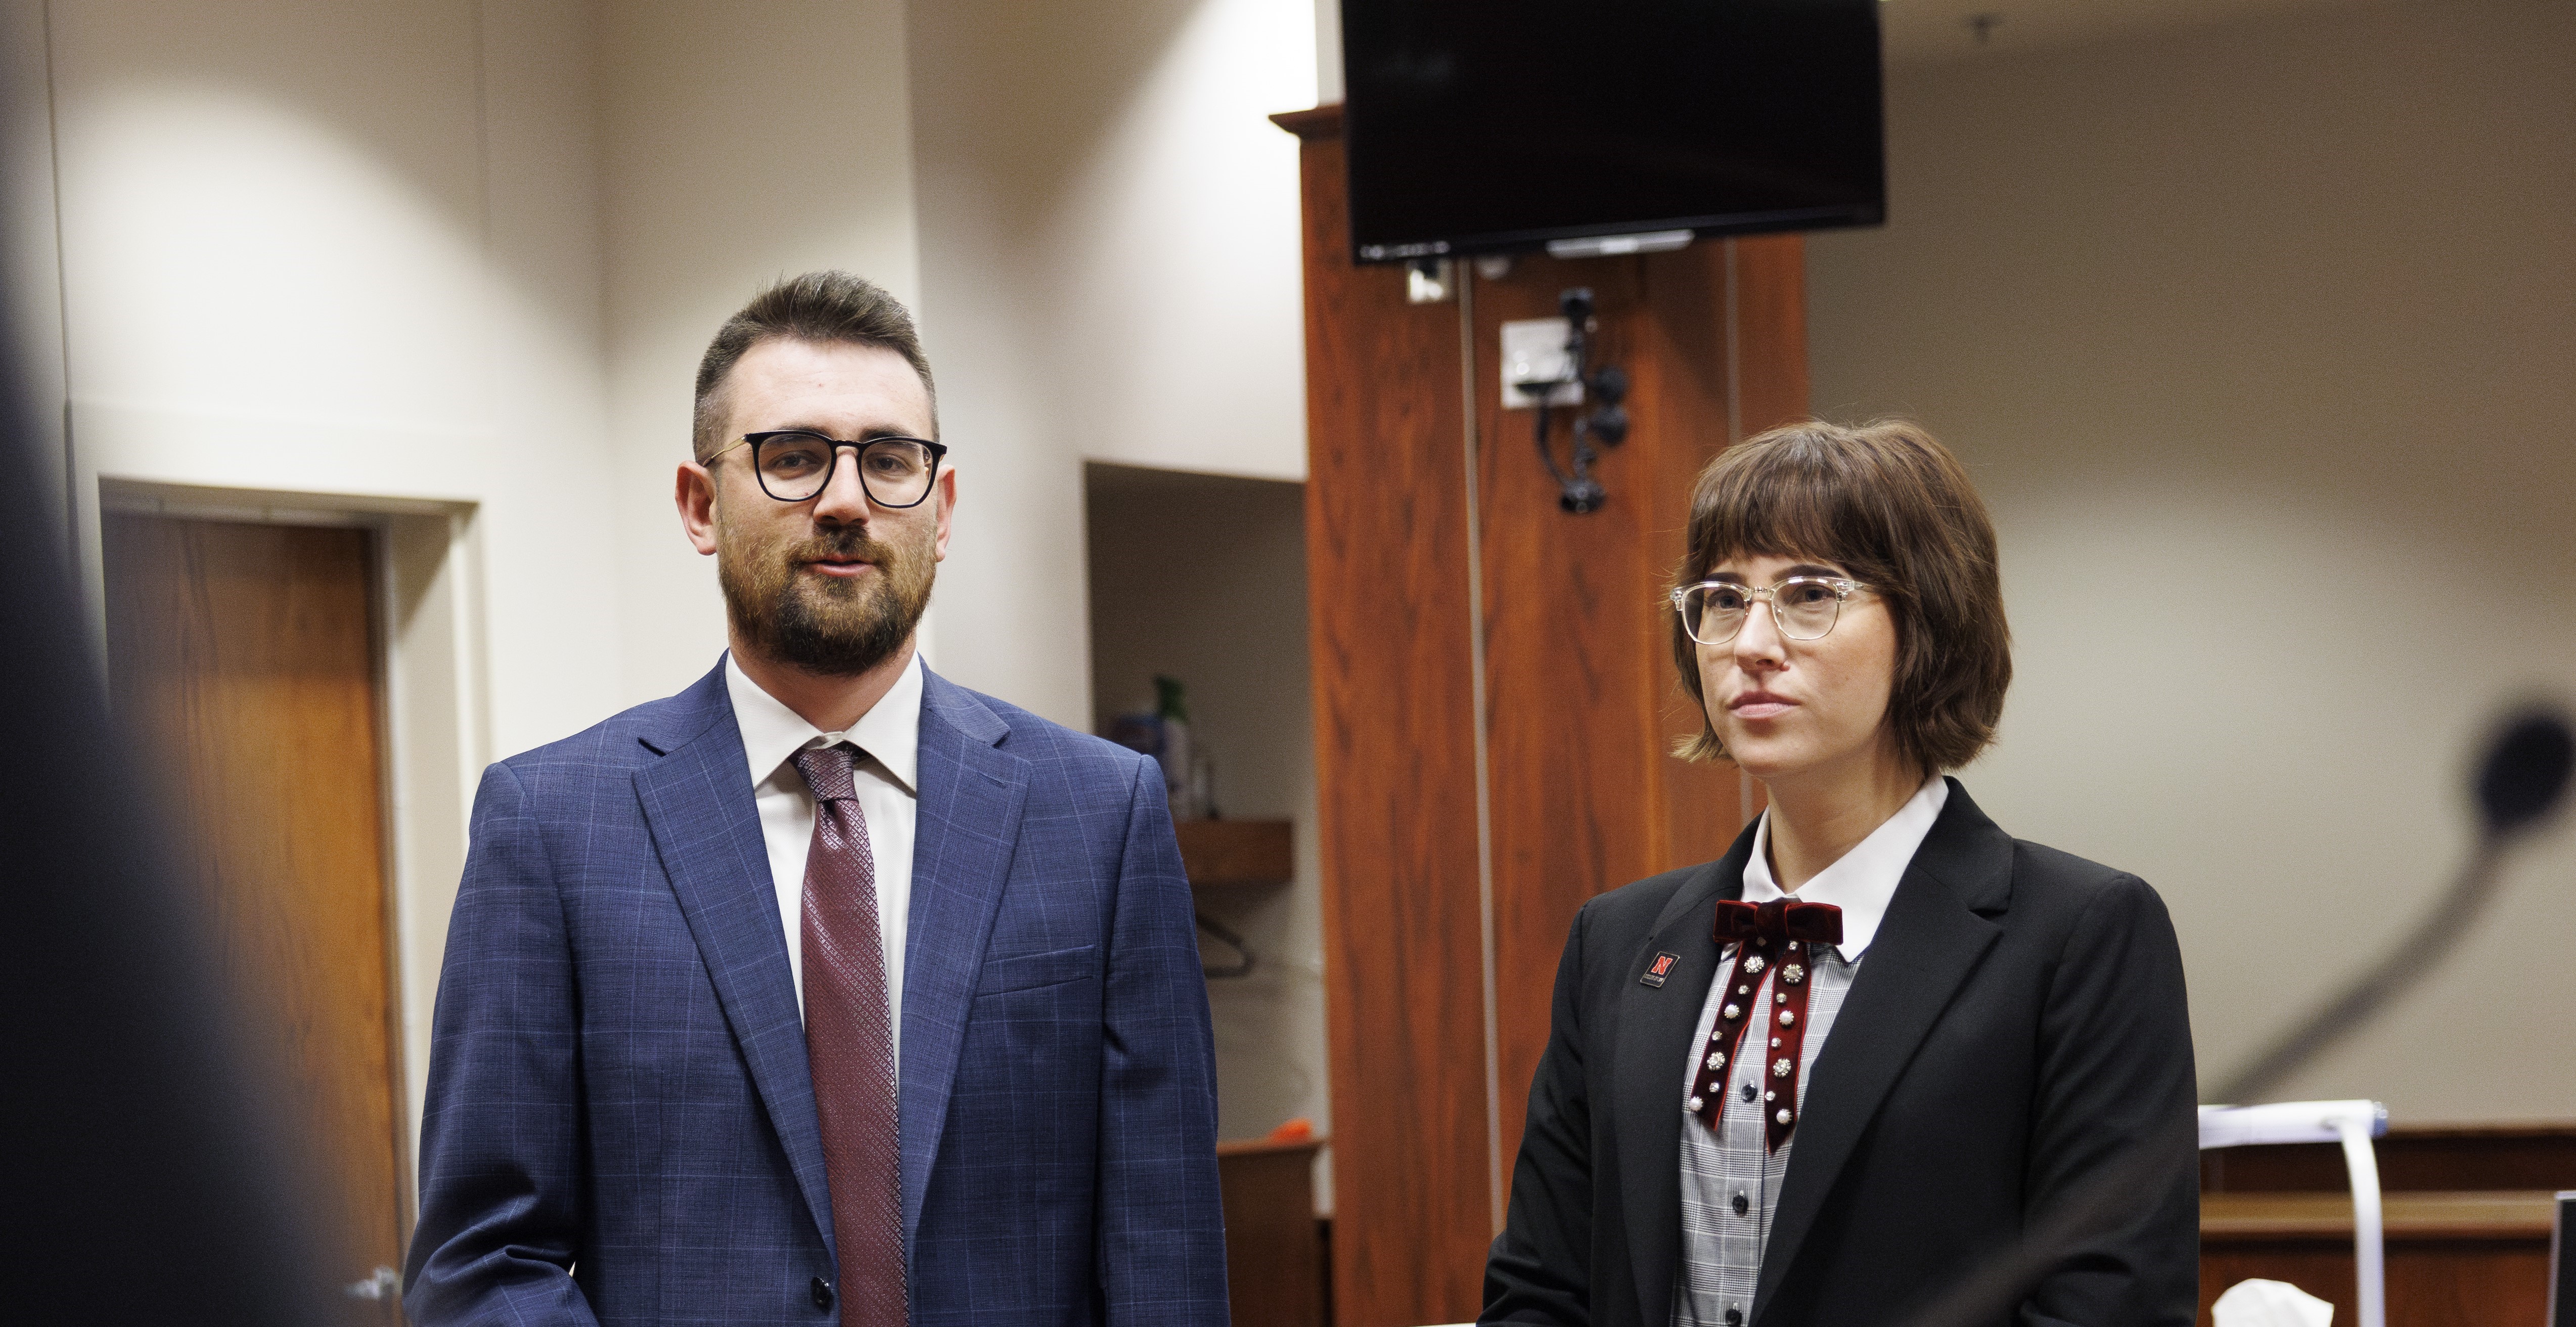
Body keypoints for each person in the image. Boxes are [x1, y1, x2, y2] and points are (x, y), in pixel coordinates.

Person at [404, 272, 1229, 1327]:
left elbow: (1167, 1254)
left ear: (943, 510)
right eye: (792, 457)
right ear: (701, 506)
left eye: (890, 460)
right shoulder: (554, 826)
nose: (846, 501)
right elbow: (485, 1262)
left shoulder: (1100, 816)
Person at [1482, 421, 2198, 1327]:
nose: (1752, 643)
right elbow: (1542, 1289)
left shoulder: (2081, 934)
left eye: (1809, 593)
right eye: (1723, 599)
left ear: (1927, 622)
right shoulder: (1617, 940)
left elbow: (2111, 1305)